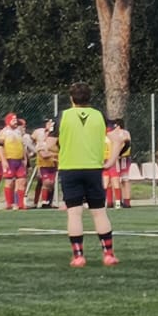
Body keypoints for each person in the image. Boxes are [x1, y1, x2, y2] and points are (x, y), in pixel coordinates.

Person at [56, 81, 117, 267]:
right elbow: (118, 139)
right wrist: (111, 161)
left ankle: (78, 256)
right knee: (99, 212)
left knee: (74, 213)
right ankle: (108, 255)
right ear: (90, 98)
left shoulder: (63, 116)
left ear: (71, 98)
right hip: (93, 169)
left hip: (70, 169)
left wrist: (55, 152)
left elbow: (49, 145)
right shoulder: (99, 115)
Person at [105, 118, 134, 208]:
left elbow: (127, 144)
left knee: (123, 179)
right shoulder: (113, 134)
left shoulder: (122, 133)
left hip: (123, 158)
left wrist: (119, 153)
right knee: (115, 179)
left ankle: (125, 201)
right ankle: (116, 201)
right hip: (118, 157)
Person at [31, 118, 59, 208]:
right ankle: (41, 201)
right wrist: (55, 155)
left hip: (53, 164)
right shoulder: (41, 137)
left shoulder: (56, 137)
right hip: (43, 164)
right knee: (45, 182)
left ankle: (48, 202)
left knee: (51, 183)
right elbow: (43, 154)